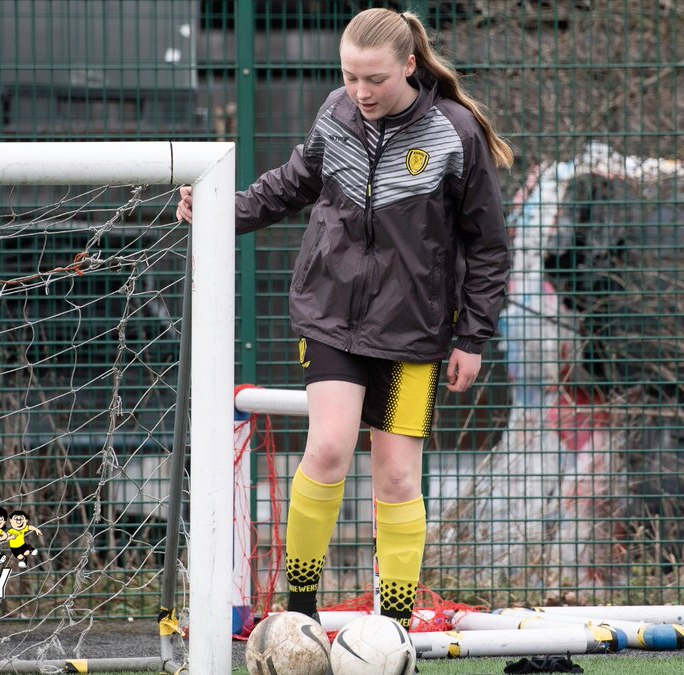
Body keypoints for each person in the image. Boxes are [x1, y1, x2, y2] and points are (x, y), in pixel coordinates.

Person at [177, 7, 511, 630]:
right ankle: (300, 613)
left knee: (395, 473)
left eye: (374, 79)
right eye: (350, 77)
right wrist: (222, 208)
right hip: (330, 317)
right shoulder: (336, 113)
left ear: (410, 66)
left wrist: (474, 334)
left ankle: (394, 625)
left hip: (415, 333)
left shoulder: (454, 132)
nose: (361, 92)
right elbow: (292, 184)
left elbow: (488, 244)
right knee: (328, 448)